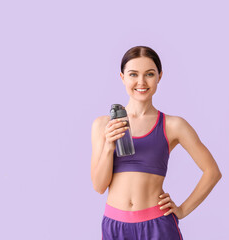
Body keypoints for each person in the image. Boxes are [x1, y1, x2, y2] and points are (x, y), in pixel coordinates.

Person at [91, 46, 222, 240]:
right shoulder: (103, 125)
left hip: (157, 225)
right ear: (122, 77)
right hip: (115, 226)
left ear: (159, 76)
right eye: (133, 74)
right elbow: (99, 186)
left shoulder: (174, 125)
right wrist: (109, 145)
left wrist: (183, 210)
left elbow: (212, 172)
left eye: (149, 74)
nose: (141, 82)